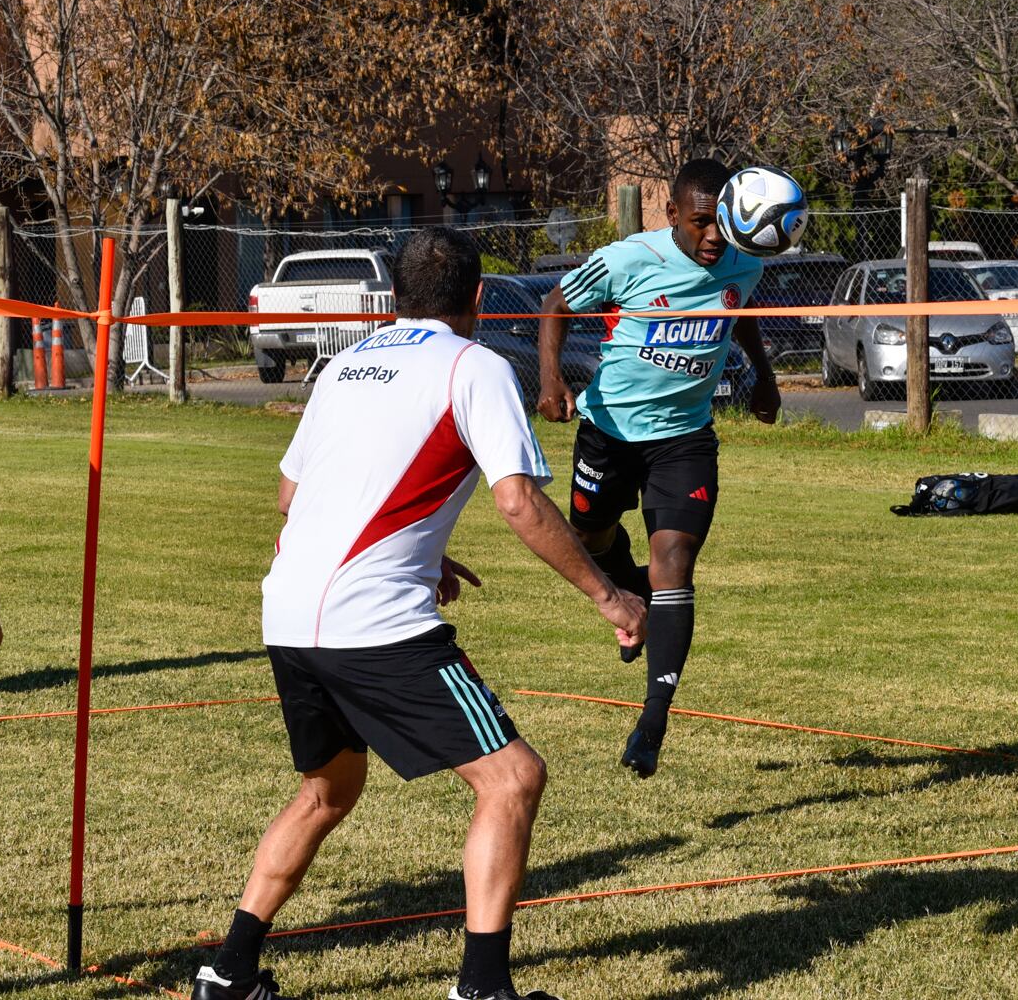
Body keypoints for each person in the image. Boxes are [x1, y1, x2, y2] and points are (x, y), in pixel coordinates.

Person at [195, 228, 647, 1000]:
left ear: (395, 297)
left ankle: (226, 971)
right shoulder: (475, 366)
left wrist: (422, 553)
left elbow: (291, 497)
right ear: (477, 299)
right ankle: (481, 988)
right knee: (513, 778)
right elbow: (516, 500)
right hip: (370, 622)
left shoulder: (344, 365)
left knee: (327, 790)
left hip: (288, 611)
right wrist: (611, 595)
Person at [536, 158, 780, 779]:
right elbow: (554, 303)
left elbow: (738, 314)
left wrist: (763, 378)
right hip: (609, 430)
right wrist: (551, 380)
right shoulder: (628, 260)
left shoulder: (745, 259)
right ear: (671, 214)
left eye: (720, 224)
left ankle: (653, 720)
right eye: (699, 223)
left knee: (674, 561)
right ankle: (631, 595)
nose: (712, 238)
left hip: (685, 441)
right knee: (589, 535)